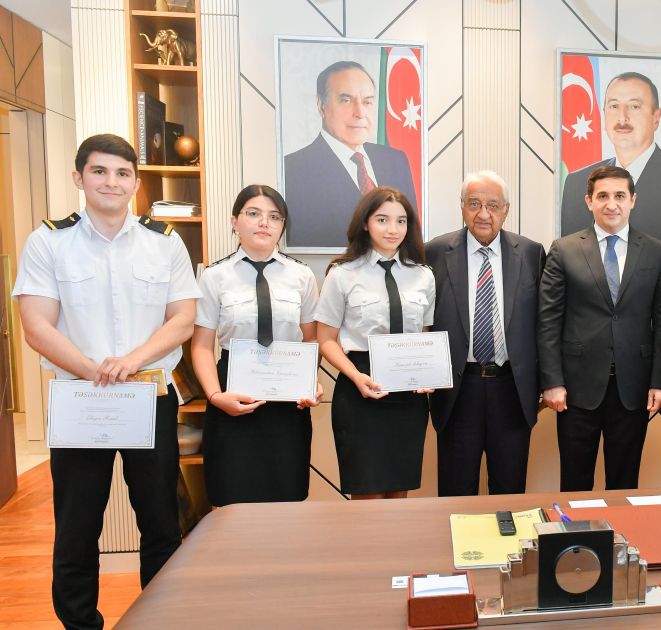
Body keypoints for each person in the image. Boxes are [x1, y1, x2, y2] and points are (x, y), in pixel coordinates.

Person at [12, 134, 201, 630]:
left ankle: (160, 620)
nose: (111, 182)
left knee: (161, 521)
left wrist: (130, 361)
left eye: (122, 173)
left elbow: (183, 318)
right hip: (81, 399)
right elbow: (36, 326)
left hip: (148, 396)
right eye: (99, 171)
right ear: (79, 178)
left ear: (136, 183)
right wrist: (91, 368)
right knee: (77, 527)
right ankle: (80, 624)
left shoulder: (164, 242)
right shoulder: (49, 242)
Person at [539, 164, 661, 491]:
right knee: (575, 482)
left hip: (633, 388)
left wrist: (659, 382)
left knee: (624, 483)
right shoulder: (564, 249)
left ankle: (621, 529)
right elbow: (548, 320)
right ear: (589, 201)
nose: (611, 204)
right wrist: (552, 381)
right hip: (576, 388)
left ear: (633, 200)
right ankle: (575, 529)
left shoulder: (655, 251)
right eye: (602, 196)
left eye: (619, 196)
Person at [191, 185, 322, 507]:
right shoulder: (214, 276)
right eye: (253, 213)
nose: (265, 223)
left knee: (286, 494)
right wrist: (215, 396)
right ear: (234, 221)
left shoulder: (302, 275)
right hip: (232, 397)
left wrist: (310, 382)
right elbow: (201, 346)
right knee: (233, 495)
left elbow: (311, 339)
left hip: (287, 402)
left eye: (274, 217)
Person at [425, 171, 546, 496]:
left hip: (512, 389)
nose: (483, 214)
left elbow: (544, 324)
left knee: (509, 490)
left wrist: (547, 382)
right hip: (457, 389)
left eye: (493, 205)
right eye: (474, 203)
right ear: (462, 207)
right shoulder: (434, 252)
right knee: (456, 491)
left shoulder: (531, 253)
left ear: (506, 210)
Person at [314, 186, 434, 499]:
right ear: (365, 223)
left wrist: (427, 373)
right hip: (360, 389)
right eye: (382, 220)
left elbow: (423, 335)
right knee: (367, 496)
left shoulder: (424, 275)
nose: (393, 229)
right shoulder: (342, 274)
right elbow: (325, 340)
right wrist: (355, 376)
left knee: (399, 495)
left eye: (401, 221)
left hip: (408, 397)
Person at [283, 60, 417, 249]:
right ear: (321, 105)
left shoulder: (395, 160)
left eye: (367, 102)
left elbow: (412, 236)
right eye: (346, 100)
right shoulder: (293, 169)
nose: (360, 113)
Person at [560, 72, 661, 250]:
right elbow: (570, 253)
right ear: (604, 115)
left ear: (656, 117)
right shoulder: (576, 183)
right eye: (614, 106)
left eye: (634, 106)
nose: (622, 118)